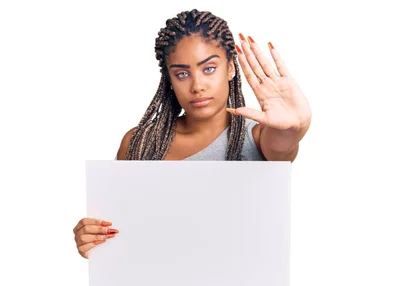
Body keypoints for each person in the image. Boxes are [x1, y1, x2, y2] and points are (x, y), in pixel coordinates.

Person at [72, 9, 311, 259]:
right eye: (182, 73)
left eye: (208, 69)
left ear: (230, 68)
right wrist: (94, 240)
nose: (197, 86)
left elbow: (283, 145)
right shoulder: (139, 143)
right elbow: (123, 232)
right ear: (170, 79)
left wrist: (295, 127)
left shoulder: (260, 138)